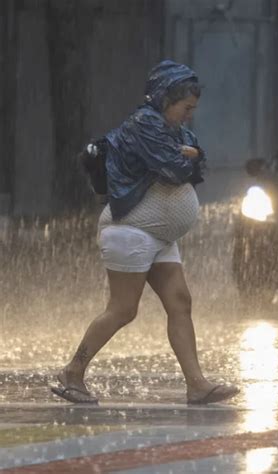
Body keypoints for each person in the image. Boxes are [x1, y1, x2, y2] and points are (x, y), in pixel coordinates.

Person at [51, 60, 239, 405]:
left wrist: (193, 156)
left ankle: (197, 384)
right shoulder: (145, 124)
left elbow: (197, 161)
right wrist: (191, 157)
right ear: (167, 99)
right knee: (123, 309)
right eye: (186, 108)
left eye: (193, 109)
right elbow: (175, 169)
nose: (189, 116)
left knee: (180, 302)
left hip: (158, 235)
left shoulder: (171, 128)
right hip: (130, 230)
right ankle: (71, 373)